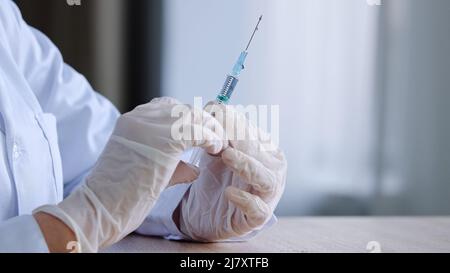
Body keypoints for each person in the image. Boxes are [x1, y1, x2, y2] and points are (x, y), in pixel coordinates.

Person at [0, 0, 287, 253]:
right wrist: (75, 223)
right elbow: (96, 202)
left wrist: (185, 204)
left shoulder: (5, 23)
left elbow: (103, 166)